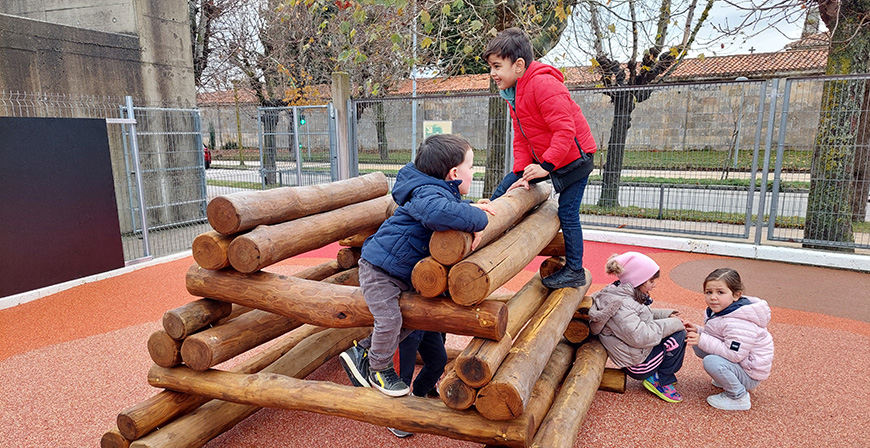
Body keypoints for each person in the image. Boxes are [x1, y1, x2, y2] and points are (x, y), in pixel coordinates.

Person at [338, 134, 496, 398]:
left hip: (398, 273)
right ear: (455, 172)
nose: (473, 172)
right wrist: (477, 218)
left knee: (409, 322)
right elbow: (438, 213)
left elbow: (447, 209)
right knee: (389, 320)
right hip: (380, 270)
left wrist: (468, 208)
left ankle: (362, 352)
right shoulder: (426, 194)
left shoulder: (435, 191)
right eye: (471, 166)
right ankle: (378, 369)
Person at [483, 27, 596, 289]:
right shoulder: (515, 94)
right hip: (552, 159)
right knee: (506, 187)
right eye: (491, 67)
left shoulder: (543, 84)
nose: (493, 74)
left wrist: (546, 166)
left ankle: (575, 270)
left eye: (497, 66)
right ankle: (484, 227)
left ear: (519, 65)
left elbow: (565, 130)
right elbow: (522, 137)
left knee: (567, 212)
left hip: (575, 161)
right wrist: (521, 170)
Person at [588, 252, 688, 403]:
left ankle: (661, 374)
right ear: (637, 280)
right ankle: (661, 380)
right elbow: (640, 336)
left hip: (636, 353)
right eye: (651, 281)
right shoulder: (622, 305)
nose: (654, 285)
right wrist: (674, 324)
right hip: (638, 364)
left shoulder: (624, 294)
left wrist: (667, 315)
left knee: (675, 329)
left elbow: (643, 316)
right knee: (679, 334)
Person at [685, 268, 774, 411]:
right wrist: (698, 331)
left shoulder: (738, 322)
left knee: (711, 361)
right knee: (699, 345)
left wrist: (702, 339)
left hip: (749, 374)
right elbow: (718, 337)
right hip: (741, 364)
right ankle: (728, 378)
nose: (713, 297)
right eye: (709, 292)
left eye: (720, 292)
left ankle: (738, 397)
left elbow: (734, 354)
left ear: (736, 295)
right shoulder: (721, 311)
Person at [386, 330, 447, 438]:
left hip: (428, 321)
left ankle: (419, 394)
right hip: (405, 325)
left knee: (438, 360)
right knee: (402, 373)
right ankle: (395, 415)